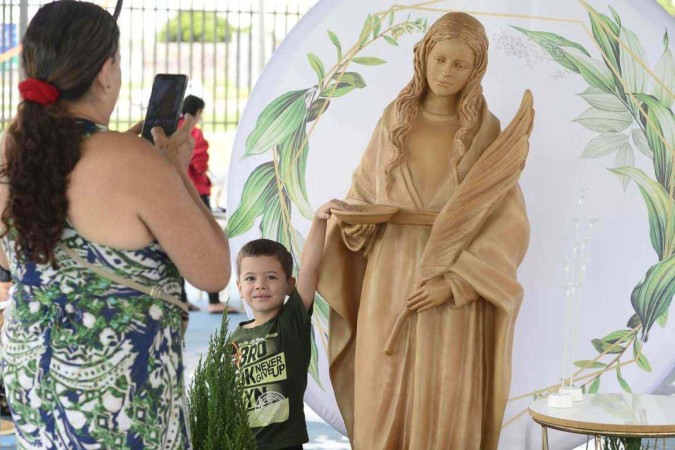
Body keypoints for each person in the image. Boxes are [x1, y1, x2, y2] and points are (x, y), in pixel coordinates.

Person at [0, 2, 230, 448]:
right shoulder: (134, 162)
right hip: (114, 401)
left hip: (33, 380)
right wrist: (175, 172)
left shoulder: (15, 151)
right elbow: (214, 271)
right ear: (105, 70)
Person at [318, 12, 533, 449]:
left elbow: (506, 223)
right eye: (440, 59)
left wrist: (457, 284)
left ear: (477, 69)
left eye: (460, 64)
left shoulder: (484, 133)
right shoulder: (395, 119)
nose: (446, 72)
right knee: (383, 384)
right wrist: (349, 217)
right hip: (390, 270)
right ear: (423, 57)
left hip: (449, 278)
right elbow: (364, 188)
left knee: (445, 390)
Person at [231, 199, 351, 450]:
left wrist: (319, 221)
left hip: (283, 444)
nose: (260, 285)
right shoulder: (235, 337)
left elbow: (309, 267)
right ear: (240, 288)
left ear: (289, 285)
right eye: (250, 278)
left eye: (271, 277)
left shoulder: (290, 323)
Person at [179, 95, 231, 314]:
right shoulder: (194, 133)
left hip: (177, 194)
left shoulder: (171, 129)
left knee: (179, 246)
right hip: (197, 195)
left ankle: (181, 298)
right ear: (198, 112)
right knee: (207, 244)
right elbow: (199, 166)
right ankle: (213, 300)